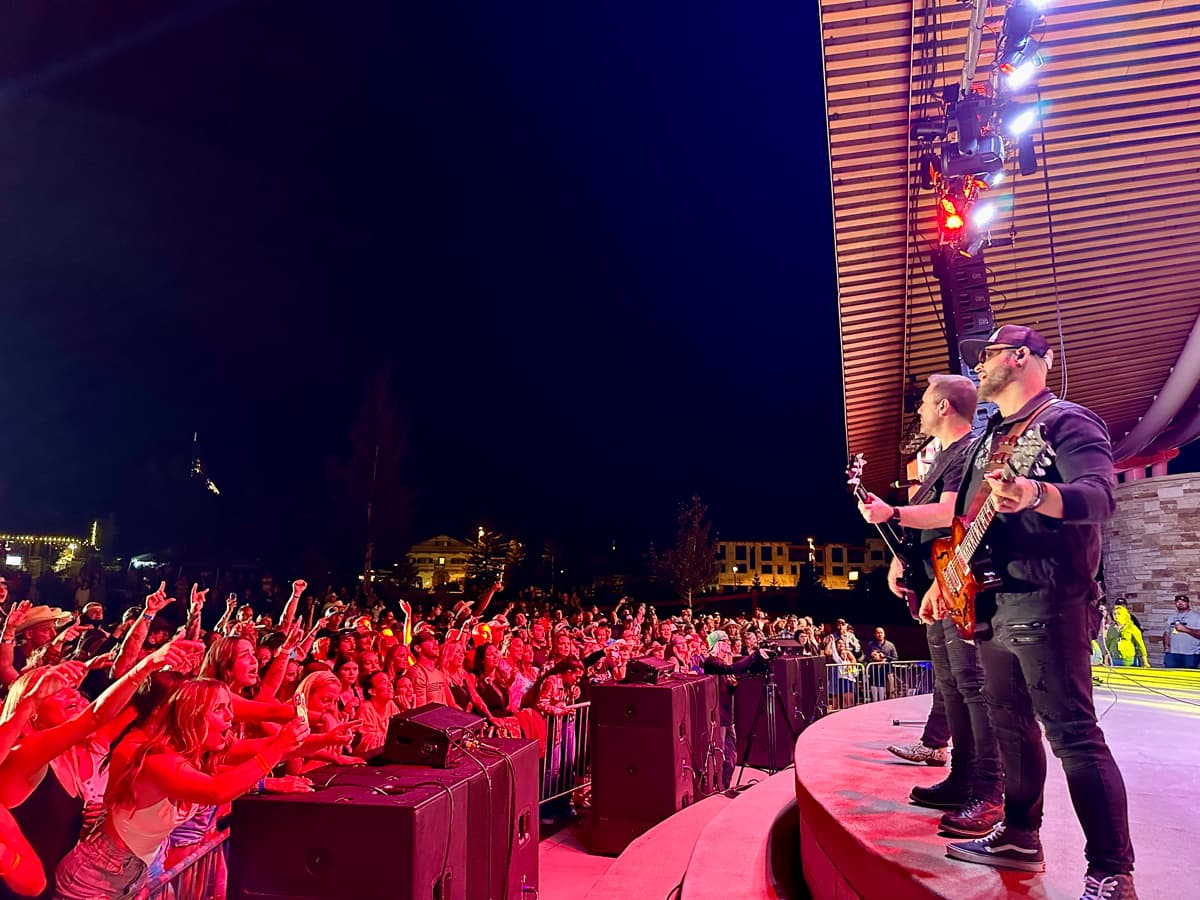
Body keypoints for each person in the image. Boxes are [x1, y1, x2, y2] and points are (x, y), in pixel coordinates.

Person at [933, 325, 1136, 899]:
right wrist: (947, 579)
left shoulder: (1068, 422)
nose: (978, 366)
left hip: (1049, 599)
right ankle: (1020, 835)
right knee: (1011, 726)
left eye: (988, 355)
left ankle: (1111, 872)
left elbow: (1101, 496)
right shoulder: (987, 439)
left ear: (1021, 357)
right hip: (994, 602)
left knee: (1072, 733)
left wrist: (1037, 496)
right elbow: (968, 524)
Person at [860, 374, 1003, 838]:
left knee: (971, 683)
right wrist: (900, 563)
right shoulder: (943, 457)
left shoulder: (970, 452)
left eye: (923, 402)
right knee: (953, 682)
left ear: (944, 407)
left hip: (958, 584)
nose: (917, 410)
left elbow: (949, 514)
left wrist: (893, 512)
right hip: (934, 585)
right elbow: (926, 531)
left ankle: (988, 787)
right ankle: (963, 776)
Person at [54, 679, 308, 898]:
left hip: (127, 875)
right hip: (93, 878)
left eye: (228, 707)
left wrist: (324, 738)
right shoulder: (159, 760)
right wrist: (277, 750)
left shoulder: (189, 756)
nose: (231, 716)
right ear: (191, 715)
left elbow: (257, 749)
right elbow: (217, 791)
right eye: (219, 708)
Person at [1162, 593, 1200, 668]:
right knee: (1171, 676)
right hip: (1172, 654)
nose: (1180, 603)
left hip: (1190, 654)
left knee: (1188, 677)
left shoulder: (1196, 616)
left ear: (1188, 603)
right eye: (1178, 602)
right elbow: (1167, 633)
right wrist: (1166, 648)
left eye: (1183, 601)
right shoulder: (1171, 617)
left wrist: (1185, 629)